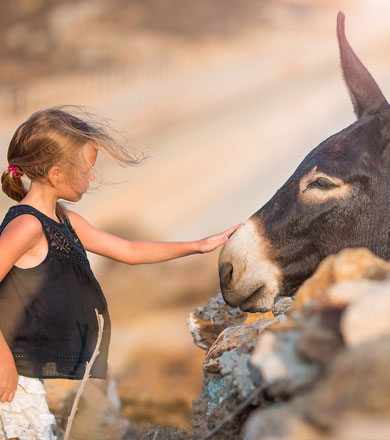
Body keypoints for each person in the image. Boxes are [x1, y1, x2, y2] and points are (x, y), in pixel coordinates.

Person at [0, 106, 240, 440]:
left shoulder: (66, 221)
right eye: (87, 169)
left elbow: (128, 251)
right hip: (17, 374)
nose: (92, 177)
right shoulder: (27, 225)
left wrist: (197, 245)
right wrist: (3, 361)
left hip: (41, 372)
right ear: (56, 174)